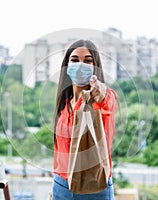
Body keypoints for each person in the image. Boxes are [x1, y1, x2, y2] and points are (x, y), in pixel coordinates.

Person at [52, 39, 118, 200]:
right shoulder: (64, 103)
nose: (80, 65)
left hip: (95, 185)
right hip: (61, 186)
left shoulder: (101, 98)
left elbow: (105, 97)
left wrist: (98, 89)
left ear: (95, 67)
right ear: (67, 66)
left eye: (88, 61)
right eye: (75, 60)